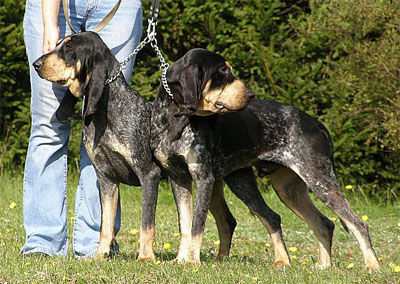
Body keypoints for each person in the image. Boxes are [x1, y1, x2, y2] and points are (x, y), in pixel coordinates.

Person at [21, 0, 143, 257]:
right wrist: (49, 22)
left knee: (105, 128)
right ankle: (43, 242)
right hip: (53, 5)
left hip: (119, 6)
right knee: (48, 125)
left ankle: (96, 244)